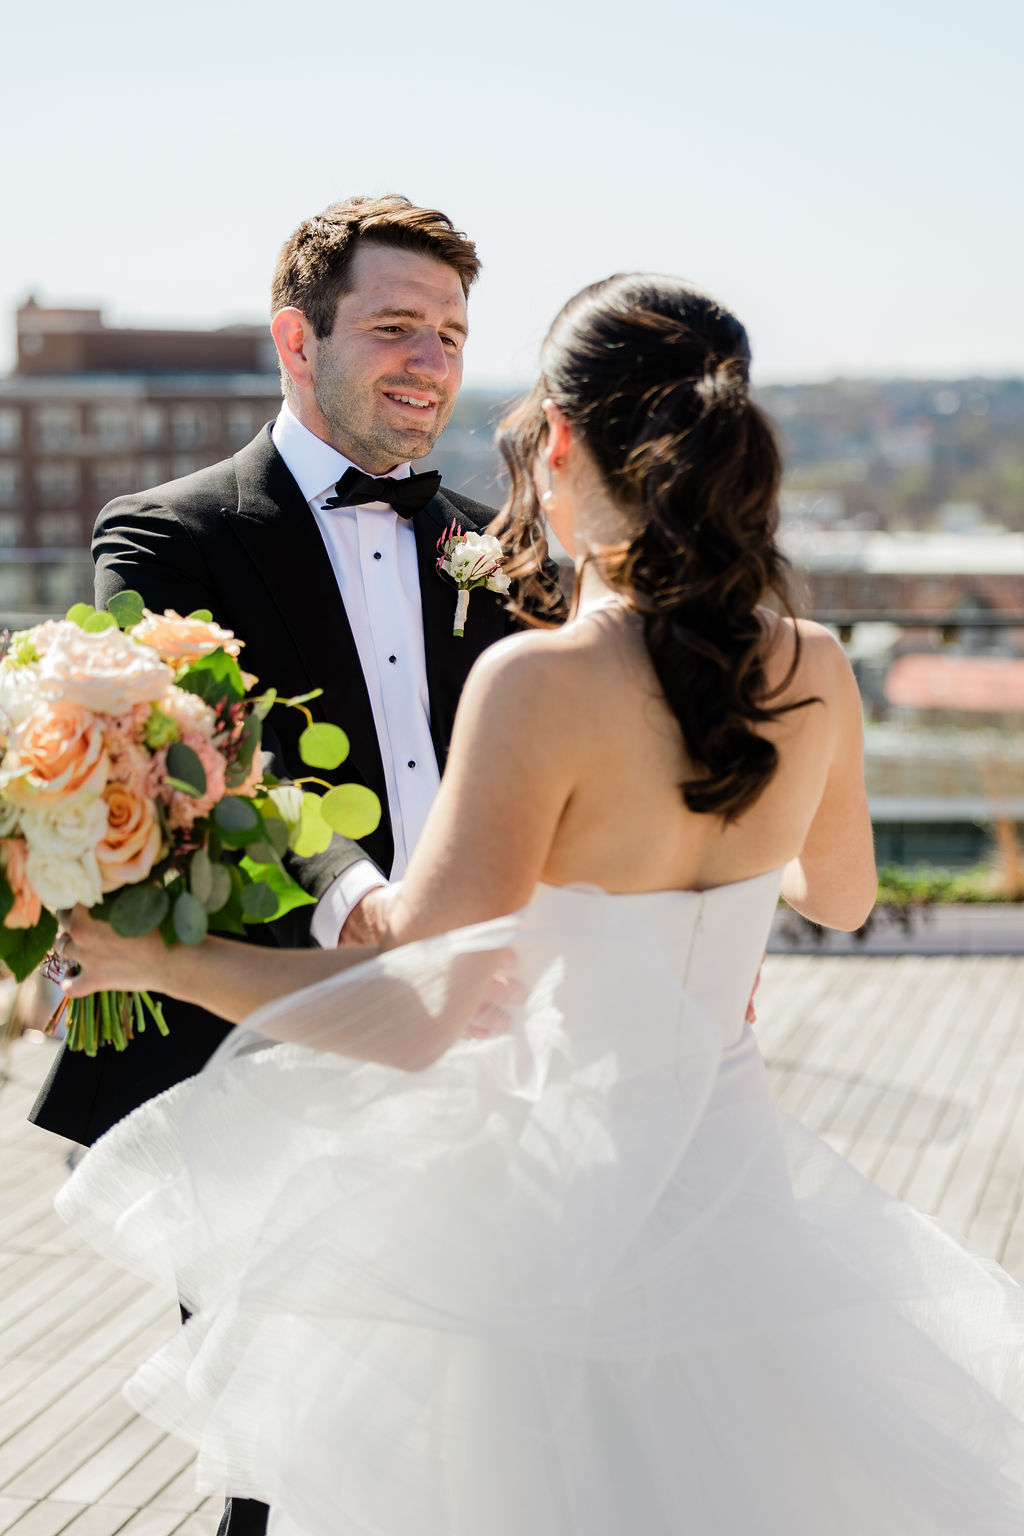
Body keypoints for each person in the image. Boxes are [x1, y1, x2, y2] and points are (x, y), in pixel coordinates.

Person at [56, 275, 1024, 1534]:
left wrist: (151, 961)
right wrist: (703, 876)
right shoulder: (819, 665)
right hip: (734, 1204)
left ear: (558, 443)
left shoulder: (539, 682)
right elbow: (835, 895)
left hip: (550, 1227)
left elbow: (413, 1015)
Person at [31, 192, 562, 1536]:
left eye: (448, 333)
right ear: (295, 336)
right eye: (394, 326)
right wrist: (363, 899)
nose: (429, 362)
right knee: (284, 1450)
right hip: (258, 1044)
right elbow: (207, 758)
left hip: (480, 1037)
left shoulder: (493, 544)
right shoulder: (167, 534)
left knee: (473, 1425)